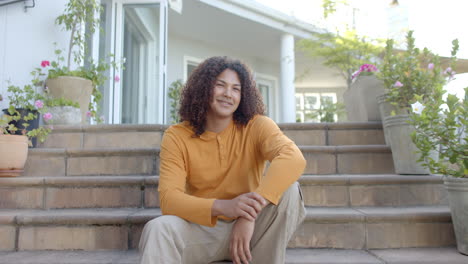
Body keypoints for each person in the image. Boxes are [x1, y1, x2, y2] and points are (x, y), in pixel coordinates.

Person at [139, 56, 306, 264]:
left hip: (251, 232)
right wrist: (224, 207)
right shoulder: (177, 136)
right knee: (158, 228)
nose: (228, 94)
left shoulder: (257, 126)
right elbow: (169, 200)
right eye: (220, 85)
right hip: (202, 231)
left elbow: (293, 158)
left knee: (290, 190)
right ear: (204, 88)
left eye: (236, 89)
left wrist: (248, 215)